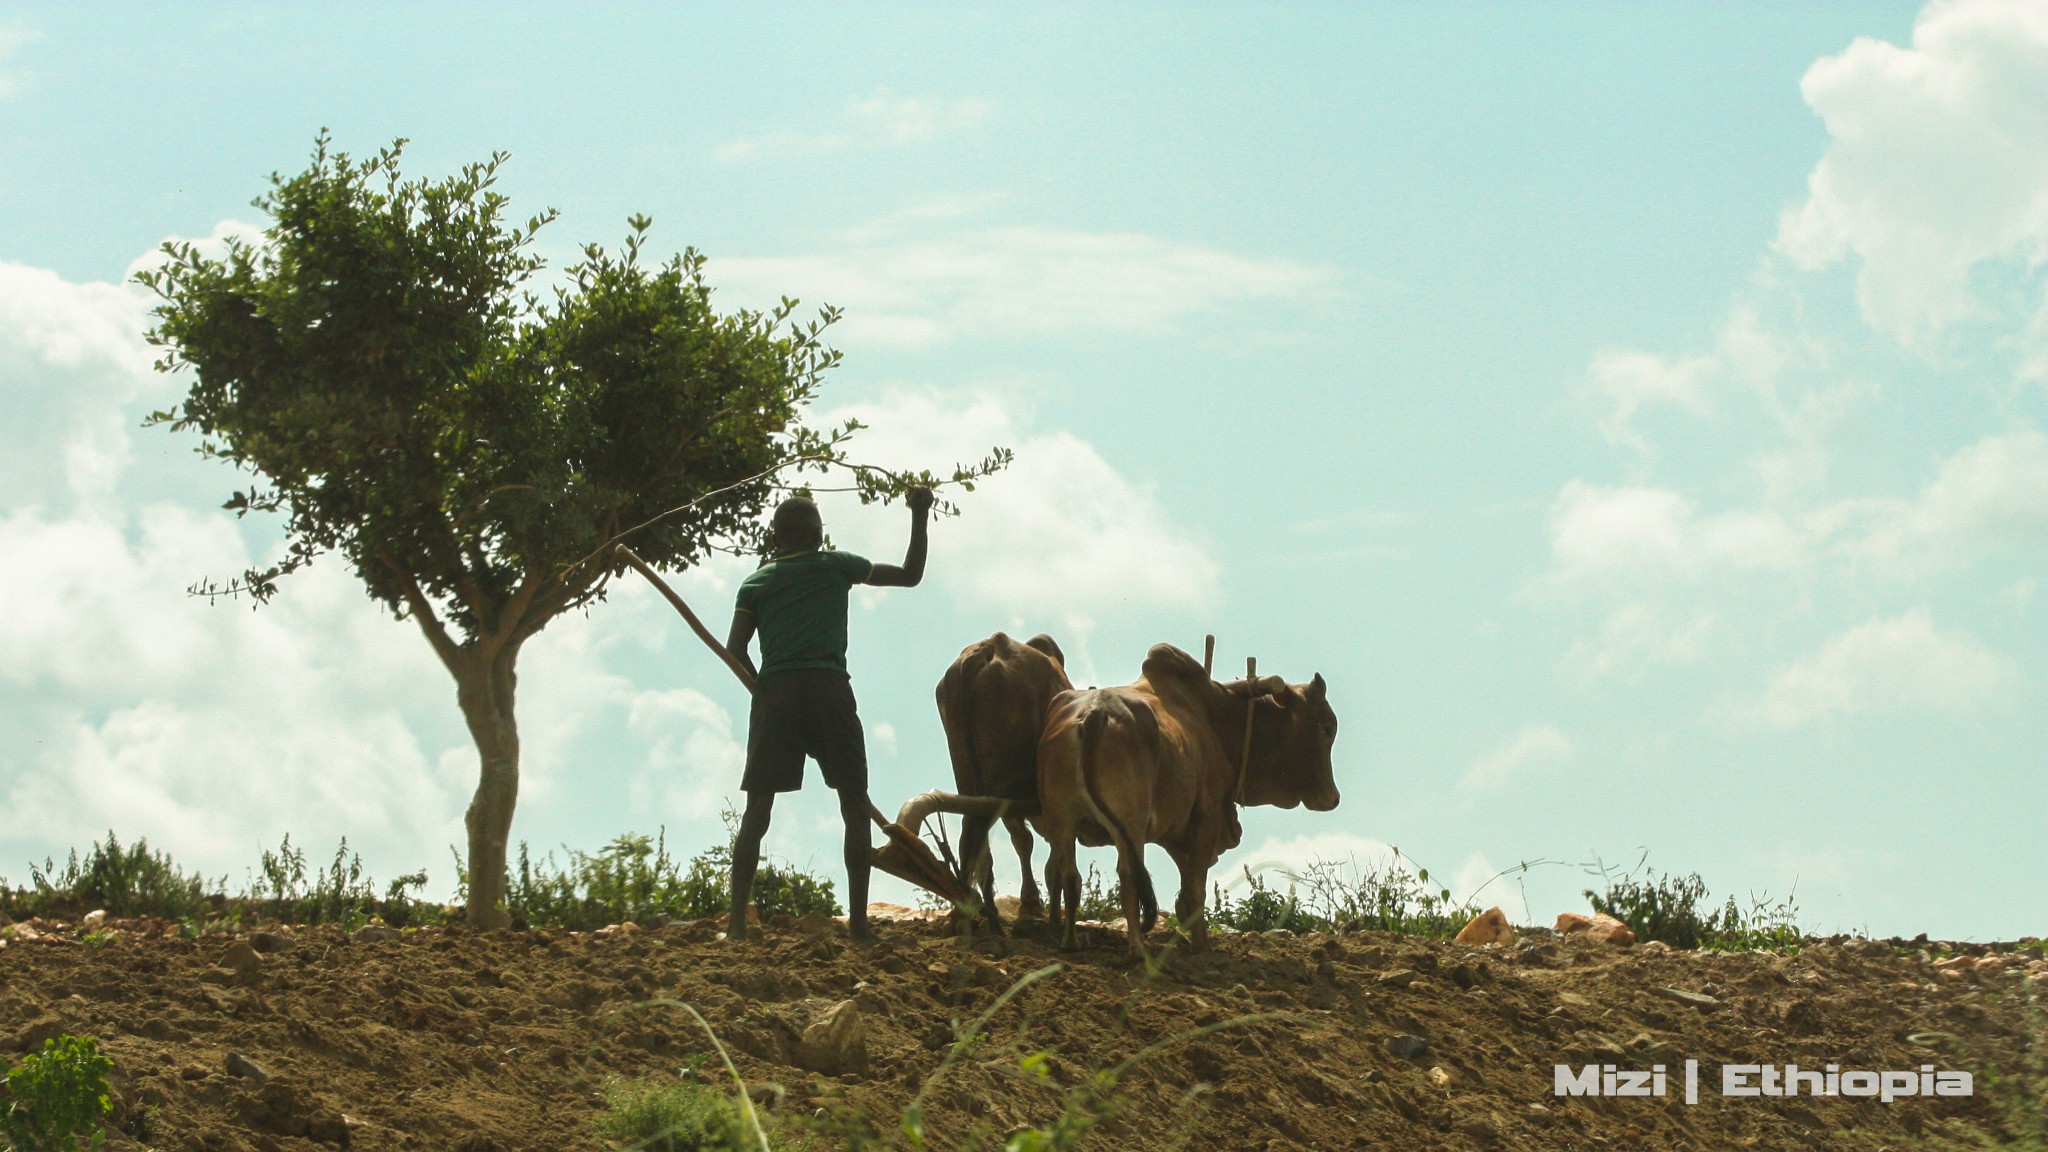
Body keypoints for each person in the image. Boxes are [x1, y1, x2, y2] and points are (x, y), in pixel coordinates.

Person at [722, 485, 933, 941]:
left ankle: (737, 926)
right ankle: (859, 927)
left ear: (776, 539)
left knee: (757, 808)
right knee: (854, 806)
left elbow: (735, 648)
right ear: (820, 537)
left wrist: (764, 688)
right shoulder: (837, 565)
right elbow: (911, 575)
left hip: (776, 694)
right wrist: (919, 512)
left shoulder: (756, 582)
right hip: (829, 691)